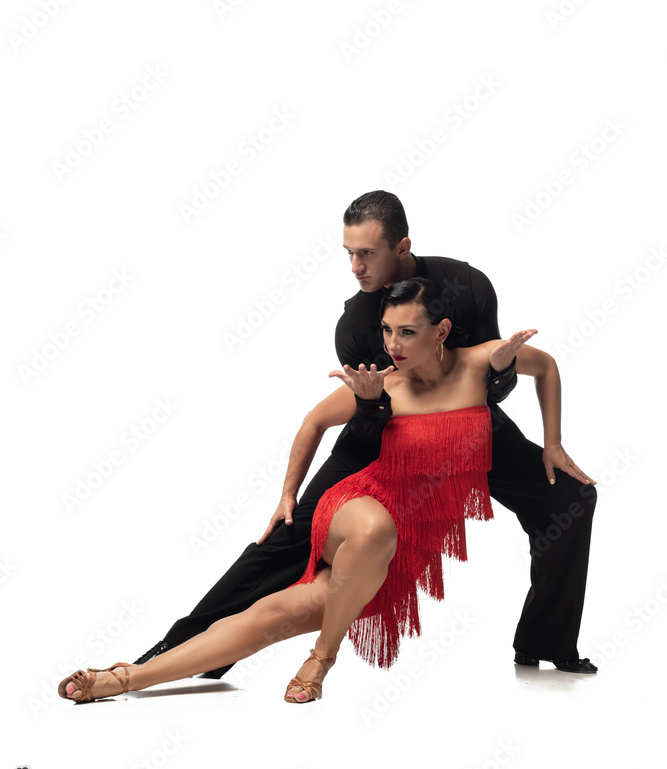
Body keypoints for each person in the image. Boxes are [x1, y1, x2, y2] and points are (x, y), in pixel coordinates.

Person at [58, 278, 593, 706]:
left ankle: (126, 678)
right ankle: (323, 660)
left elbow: (545, 366)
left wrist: (553, 443)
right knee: (374, 525)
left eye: (407, 332)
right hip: (356, 508)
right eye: (387, 331)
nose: (392, 345)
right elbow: (312, 423)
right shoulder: (383, 384)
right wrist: (288, 497)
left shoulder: (482, 364)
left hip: (396, 548)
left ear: (441, 330)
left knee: (270, 618)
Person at [134, 190, 598, 675]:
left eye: (367, 253)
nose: (355, 266)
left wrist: (551, 441)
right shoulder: (356, 324)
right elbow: (367, 411)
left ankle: (545, 642)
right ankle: (184, 651)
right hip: (385, 436)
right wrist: (290, 493)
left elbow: (493, 382)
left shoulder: (467, 284)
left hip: (470, 425)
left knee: (570, 499)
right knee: (287, 536)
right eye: (349, 253)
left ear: (402, 247)